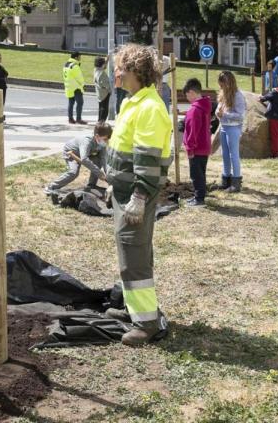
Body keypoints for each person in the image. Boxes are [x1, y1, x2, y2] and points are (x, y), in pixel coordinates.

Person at [104, 43, 172, 346]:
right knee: (130, 251)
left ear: (136, 72)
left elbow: (148, 158)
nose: (117, 73)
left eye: (121, 68)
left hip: (136, 195)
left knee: (134, 254)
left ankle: (146, 324)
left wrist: (140, 197)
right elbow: (123, 147)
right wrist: (113, 181)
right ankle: (135, 308)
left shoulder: (150, 108)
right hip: (124, 191)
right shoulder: (132, 102)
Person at [44, 123, 112, 193]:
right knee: (74, 172)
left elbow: (103, 159)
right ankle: (51, 187)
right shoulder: (87, 141)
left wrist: (108, 175)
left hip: (86, 154)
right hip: (71, 153)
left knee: (98, 161)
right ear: (97, 136)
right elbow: (84, 159)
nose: (106, 141)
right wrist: (99, 173)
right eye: (105, 139)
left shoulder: (102, 143)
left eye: (108, 139)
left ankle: (91, 185)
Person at [182, 78, 212, 207]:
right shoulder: (205, 105)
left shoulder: (194, 110)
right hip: (204, 146)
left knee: (195, 174)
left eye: (187, 95)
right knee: (201, 173)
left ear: (192, 92)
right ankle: (199, 196)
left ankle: (199, 199)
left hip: (196, 148)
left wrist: (190, 148)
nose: (187, 98)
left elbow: (192, 131)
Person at [216, 71, 246, 192]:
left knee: (233, 155)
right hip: (224, 126)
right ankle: (226, 179)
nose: (221, 87)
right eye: (220, 85)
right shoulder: (223, 94)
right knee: (225, 155)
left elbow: (240, 115)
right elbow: (219, 108)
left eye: (223, 85)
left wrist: (225, 114)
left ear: (229, 83)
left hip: (233, 128)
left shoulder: (238, 96)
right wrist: (218, 113)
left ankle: (236, 182)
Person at [63, 51, 87, 125]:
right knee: (80, 102)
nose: (80, 58)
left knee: (71, 103)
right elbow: (79, 77)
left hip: (68, 86)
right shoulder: (74, 66)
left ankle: (70, 119)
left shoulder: (66, 64)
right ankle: (78, 119)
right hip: (76, 87)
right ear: (76, 57)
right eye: (79, 57)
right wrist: (83, 84)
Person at [94, 57, 112, 123]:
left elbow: (103, 67)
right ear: (102, 64)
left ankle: (99, 121)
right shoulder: (102, 74)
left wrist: (106, 61)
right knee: (104, 109)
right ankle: (102, 122)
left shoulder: (96, 70)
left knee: (101, 107)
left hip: (99, 93)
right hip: (104, 93)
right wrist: (109, 90)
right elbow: (105, 84)